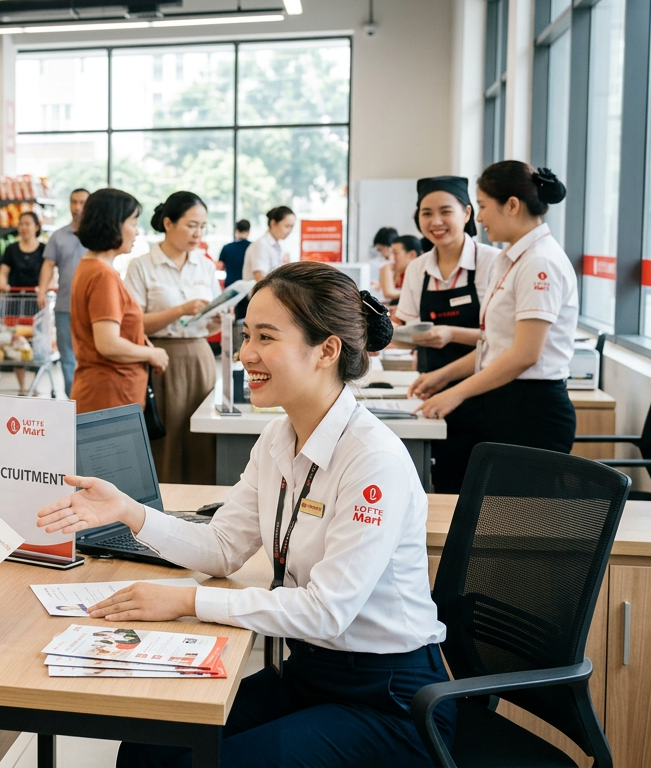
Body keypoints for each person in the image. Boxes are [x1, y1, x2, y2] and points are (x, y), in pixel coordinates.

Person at [38, 262, 453, 767]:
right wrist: (129, 512)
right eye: (245, 335)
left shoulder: (373, 461)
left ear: (326, 350)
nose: (245, 354)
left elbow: (326, 612)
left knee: (203, 762)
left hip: (389, 700)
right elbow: (221, 548)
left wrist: (186, 601)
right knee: (150, 747)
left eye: (265, 337)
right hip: (309, 675)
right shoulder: (279, 437)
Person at [412, 163, 577, 481]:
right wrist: (442, 377)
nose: (480, 217)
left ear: (512, 205)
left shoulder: (539, 262)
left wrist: (456, 392)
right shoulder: (513, 259)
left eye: (484, 206)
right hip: (506, 402)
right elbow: (497, 345)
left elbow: (525, 354)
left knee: (520, 521)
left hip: (532, 410)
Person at [394, 177, 500, 494]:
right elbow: (408, 330)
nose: (436, 222)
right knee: (446, 486)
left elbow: (502, 340)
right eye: (427, 213)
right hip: (434, 394)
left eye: (445, 211)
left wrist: (451, 333)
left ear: (467, 213)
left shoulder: (491, 262)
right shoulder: (418, 268)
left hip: (487, 398)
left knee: (485, 493)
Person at [124, 191, 219, 484]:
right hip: (160, 359)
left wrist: (218, 318)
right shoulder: (142, 265)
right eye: (191, 225)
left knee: (202, 436)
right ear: (168, 223)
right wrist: (181, 310)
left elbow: (211, 323)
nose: (198, 233)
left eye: (202, 226)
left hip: (200, 355)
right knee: (167, 435)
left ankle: (201, 502)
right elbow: (135, 324)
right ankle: (165, 500)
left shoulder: (204, 264)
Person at [68, 188, 168, 414]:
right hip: (108, 396)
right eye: (133, 223)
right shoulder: (102, 275)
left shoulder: (91, 267)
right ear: (113, 224)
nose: (136, 232)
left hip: (108, 392)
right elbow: (108, 344)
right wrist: (152, 354)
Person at [38, 188, 91, 398]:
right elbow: (48, 265)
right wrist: (41, 290)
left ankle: (90, 401)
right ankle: (74, 402)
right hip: (65, 308)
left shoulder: (98, 236)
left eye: (82, 203)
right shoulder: (58, 236)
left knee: (90, 357)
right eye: (73, 202)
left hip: (92, 308)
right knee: (67, 358)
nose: (77, 208)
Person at [0, 211, 46, 393]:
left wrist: (43, 287)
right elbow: (3, 271)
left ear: (36, 227)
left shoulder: (43, 249)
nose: (24, 228)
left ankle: (35, 384)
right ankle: (22, 386)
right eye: (21, 224)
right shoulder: (11, 249)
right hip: (15, 302)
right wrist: (2, 283)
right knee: (17, 341)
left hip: (37, 303)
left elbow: (49, 272)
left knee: (37, 342)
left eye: (28, 224)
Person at [242, 206, 295, 282]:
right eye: (287, 226)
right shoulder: (261, 245)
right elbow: (260, 280)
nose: (290, 230)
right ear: (273, 223)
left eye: (292, 227)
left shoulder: (279, 245)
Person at [379, 234, 422, 302]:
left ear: (412, 255)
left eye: (395, 253)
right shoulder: (402, 273)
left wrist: (386, 269)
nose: (391, 258)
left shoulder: (421, 275)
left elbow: (389, 293)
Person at [218, 219, 252, 286]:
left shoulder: (227, 247)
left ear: (236, 231)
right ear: (248, 231)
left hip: (230, 284)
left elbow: (220, 266)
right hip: (247, 285)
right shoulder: (253, 247)